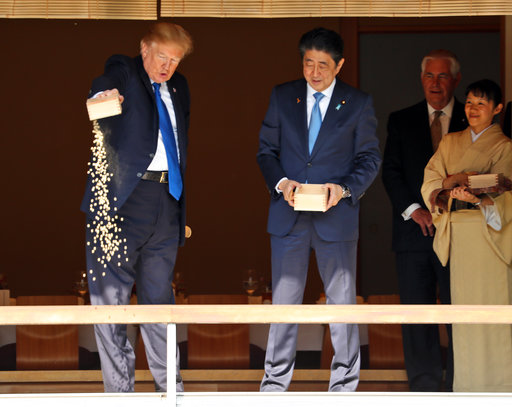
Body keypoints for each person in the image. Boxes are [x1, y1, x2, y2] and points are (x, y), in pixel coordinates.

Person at [257, 27, 381, 392]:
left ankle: (344, 385)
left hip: (336, 217)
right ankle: (274, 386)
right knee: (284, 303)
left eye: (323, 65)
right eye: (308, 63)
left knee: (341, 304)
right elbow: (266, 151)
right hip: (288, 216)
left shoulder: (358, 103)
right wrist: (282, 183)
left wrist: (342, 189)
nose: (314, 72)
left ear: (339, 65)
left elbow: (369, 158)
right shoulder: (283, 96)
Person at [81, 22, 193, 392]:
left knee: (160, 304)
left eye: (175, 60)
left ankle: (171, 392)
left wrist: (179, 211)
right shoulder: (126, 71)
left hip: (166, 201)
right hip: (120, 202)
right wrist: (102, 94)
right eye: (162, 56)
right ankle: (120, 394)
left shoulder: (179, 87)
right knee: (111, 305)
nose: (167, 66)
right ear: (145, 48)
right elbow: (105, 80)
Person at [382, 49, 467, 391]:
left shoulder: (472, 116)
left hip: (460, 233)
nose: (435, 83)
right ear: (421, 79)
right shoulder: (401, 120)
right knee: (417, 314)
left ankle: (462, 380)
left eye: (442, 76)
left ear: (455, 80)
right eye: (429, 76)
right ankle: (424, 384)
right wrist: (413, 209)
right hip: (412, 233)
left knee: (458, 310)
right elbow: (391, 173)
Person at [421, 79, 512, 392]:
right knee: (465, 320)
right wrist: (451, 184)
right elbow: (431, 180)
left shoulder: (505, 147)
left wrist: (477, 196)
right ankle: (468, 389)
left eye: (482, 104)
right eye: (470, 102)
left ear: (497, 109)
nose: (473, 109)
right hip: (460, 233)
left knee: (493, 314)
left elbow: (506, 194)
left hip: (489, 236)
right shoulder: (450, 142)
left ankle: (500, 388)